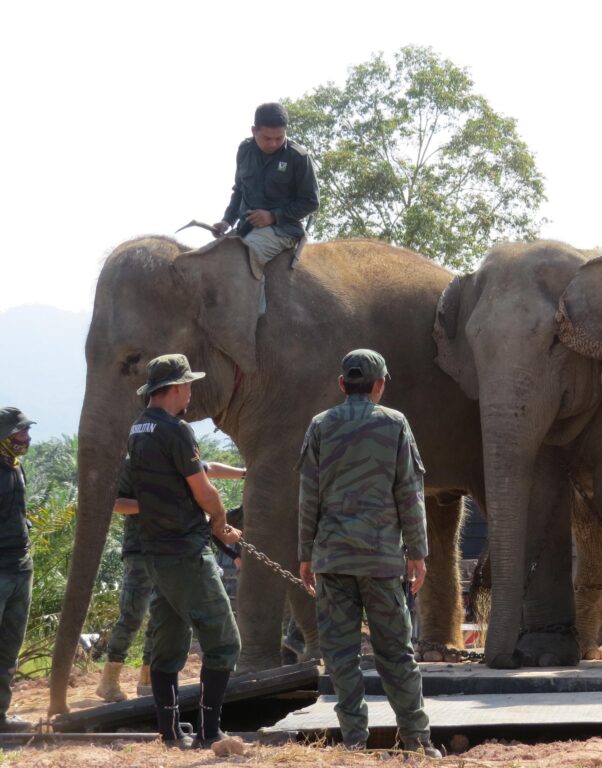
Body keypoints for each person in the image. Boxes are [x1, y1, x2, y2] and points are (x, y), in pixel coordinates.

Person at [298, 349, 440, 758]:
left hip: (333, 559)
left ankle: (353, 742)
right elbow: (409, 493)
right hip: (381, 560)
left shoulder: (320, 425)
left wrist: (305, 554)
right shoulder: (394, 424)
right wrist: (417, 552)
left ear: (342, 384)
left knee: (340, 655)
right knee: (396, 653)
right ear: (379, 385)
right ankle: (417, 741)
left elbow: (308, 496)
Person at [125, 355, 242, 748]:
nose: (191, 392)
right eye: (189, 385)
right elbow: (202, 489)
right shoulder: (176, 430)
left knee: (169, 641)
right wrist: (220, 520)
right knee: (224, 641)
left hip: (156, 552)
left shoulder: (138, 428)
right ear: (175, 388)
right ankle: (211, 732)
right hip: (187, 552)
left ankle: (171, 732)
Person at [98, 460, 245, 703]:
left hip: (173, 554)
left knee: (162, 616)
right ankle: (110, 679)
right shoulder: (133, 466)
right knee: (133, 614)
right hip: (140, 550)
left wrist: (245, 474)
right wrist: (156, 506)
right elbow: (116, 503)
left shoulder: (177, 457)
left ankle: (148, 678)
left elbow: (208, 468)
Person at [212, 102, 320, 315]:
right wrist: (227, 221)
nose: (274, 143)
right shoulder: (244, 150)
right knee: (209, 258)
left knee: (244, 258)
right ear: (254, 131)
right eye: (267, 138)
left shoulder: (298, 157)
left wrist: (273, 216)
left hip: (284, 230)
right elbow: (239, 190)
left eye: (279, 138)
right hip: (246, 227)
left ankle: (251, 316)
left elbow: (311, 201)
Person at [0, 408, 35, 732]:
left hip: (21, 568)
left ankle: (0, 716)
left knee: (9, 647)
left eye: (26, 431)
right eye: (19, 433)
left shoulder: (15, 466)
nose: (26, 437)